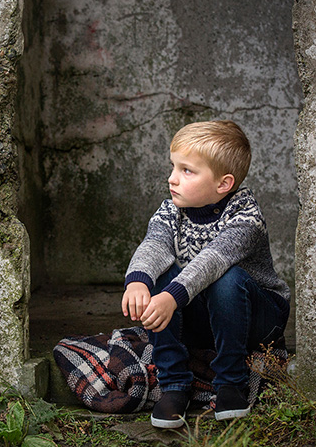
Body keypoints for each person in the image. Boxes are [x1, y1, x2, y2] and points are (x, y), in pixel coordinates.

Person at [121, 120, 289, 429]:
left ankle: (231, 382)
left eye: (187, 171)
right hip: (205, 318)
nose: (172, 178)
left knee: (226, 277)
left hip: (257, 319)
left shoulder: (246, 217)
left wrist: (172, 297)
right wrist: (138, 280)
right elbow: (155, 244)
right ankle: (174, 383)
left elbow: (212, 260)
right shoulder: (171, 210)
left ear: (223, 184)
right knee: (159, 272)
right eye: (174, 167)